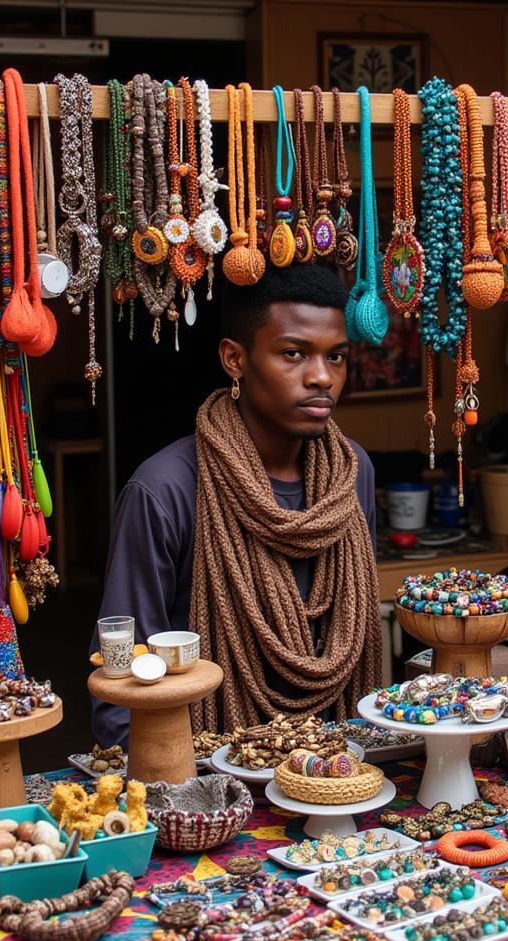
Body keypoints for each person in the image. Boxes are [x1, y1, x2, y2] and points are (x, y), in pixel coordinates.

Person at [93, 263, 381, 747]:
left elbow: (357, 630)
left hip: (337, 764)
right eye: (293, 353)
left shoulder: (352, 473)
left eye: (337, 357)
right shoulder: (165, 490)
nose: (321, 377)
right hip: (209, 773)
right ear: (235, 359)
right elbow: (121, 692)